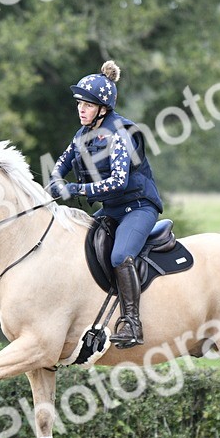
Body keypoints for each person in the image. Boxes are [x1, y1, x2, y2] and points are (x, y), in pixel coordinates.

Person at [47, 60, 163, 348]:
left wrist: (75, 187)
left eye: (87, 104)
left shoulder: (122, 132)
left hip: (137, 207)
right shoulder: (81, 135)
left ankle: (132, 323)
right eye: (79, 104)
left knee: (119, 256)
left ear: (103, 108)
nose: (81, 109)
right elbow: (61, 164)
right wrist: (50, 185)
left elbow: (118, 182)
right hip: (111, 210)